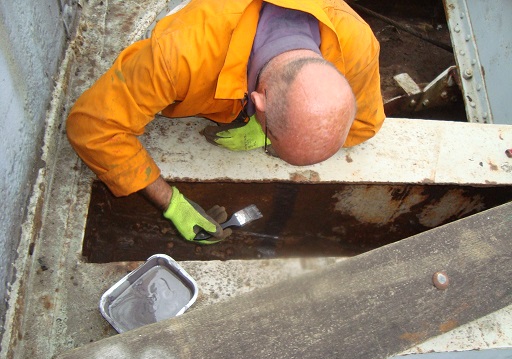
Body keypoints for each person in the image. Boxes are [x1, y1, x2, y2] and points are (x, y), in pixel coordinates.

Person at [66, 0, 385, 244]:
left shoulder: (356, 46)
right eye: (269, 138)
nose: (267, 145)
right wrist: (170, 202)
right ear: (257, 102)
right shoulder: (181, 54)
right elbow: (92, 126)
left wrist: (266, 131)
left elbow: (365, 124)